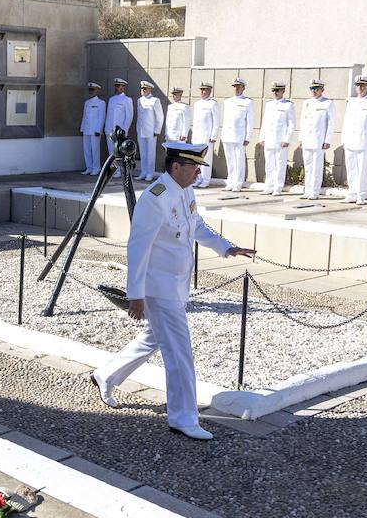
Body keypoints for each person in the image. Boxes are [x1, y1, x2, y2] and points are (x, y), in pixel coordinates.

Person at [91, 142, 256, 440]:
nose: (197, 173)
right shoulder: (155, 198)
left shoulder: (185, 190)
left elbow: (196, 225)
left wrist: (226, 247)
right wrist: (135, 294)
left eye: (198, 168)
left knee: (152, 340)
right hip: (158, 289)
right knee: (180, 354)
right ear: (175, 166)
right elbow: (137, 248)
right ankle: (183, 417)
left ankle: (106, 375)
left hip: (175, 286)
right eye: (193, 167)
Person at [340, 75, 367, 204]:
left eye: (363, 85)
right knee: (351, 169)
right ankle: (351, 193)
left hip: (364, 142)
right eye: (358, 85)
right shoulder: (352, 102)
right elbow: (346, 123)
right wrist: (344, 140)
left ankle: (361, 195)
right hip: (350, 141)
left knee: (362, 170)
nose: (360, 87)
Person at [298, 80, 335, 199]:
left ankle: (314, 191)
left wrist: (327, 140)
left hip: (319, 140)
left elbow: (330, 123)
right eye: (312, 89)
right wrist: (301, 138)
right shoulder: (307, 103)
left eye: (316, 89)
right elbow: (303, 122)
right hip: (307, 139)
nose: (314, 91)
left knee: (317, 167)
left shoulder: (327, 103)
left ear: (322, 90)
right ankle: (307, 190)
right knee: (307, 166)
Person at [260, 81, 295, 195]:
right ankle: (269, 186)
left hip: (280, 140)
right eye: (274, 90)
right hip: (269, 139)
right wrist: (262, 137)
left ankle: (278, 187)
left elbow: (291, 124)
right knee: (269, 164)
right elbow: (265, 122)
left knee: (280, 164)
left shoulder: (288, 105)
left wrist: (287, 139)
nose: (275, 92)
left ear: (283, 91)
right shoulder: (269, 104)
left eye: (278, 90)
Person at [220, 78, 254, 191]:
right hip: (227, 135)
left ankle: (238, 182)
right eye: (234, 86)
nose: (236, 88)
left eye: (239, 86)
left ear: (243, 88)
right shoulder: (228, 101)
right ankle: (230, 181)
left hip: (239, 136)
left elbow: (250, 121)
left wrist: (247, 137)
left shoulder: (247, 102)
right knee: (229, 160)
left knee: (239, 160)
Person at [189, 82, 220, 188]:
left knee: (206, 159)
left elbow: (216, 121)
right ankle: (198, 178)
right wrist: (193, 136)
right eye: (201, 89)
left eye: (205, 90)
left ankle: (206, 180)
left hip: (206, 136)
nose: (202, 92)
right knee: (197, 159)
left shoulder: (213, 104)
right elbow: (195, 121)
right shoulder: (197, 104)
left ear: (210, 91)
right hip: (197, 135)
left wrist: (214, 136)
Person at [135, 80, 163, 181]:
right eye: (142, 88)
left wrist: (157, 130)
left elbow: (160, 117)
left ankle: (150, 173)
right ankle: (143, 172)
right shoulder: (139, 100)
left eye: (145, 88)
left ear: (149, 89)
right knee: (143, 153)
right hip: (141, 130)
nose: (142, 90)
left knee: (150, 153)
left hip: (151, 131)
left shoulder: (155, 100)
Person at [105, 77, 134, 171]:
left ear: (123, 87)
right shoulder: (111, 99)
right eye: (115, 85)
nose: (116, 87)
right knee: (111, 152)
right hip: (110, 130)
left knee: (119, 152)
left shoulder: (127, 99)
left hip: (120, 131)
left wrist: (124, 130)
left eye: (118, 86)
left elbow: (129, 116)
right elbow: (108, 115)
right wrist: (106, 129)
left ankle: (120, 171)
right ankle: (113, 171)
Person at [79, 82, 106, 174]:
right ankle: (89, 167)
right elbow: (84, 116)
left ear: (97, 91)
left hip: (95, 130)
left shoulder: (101, 103)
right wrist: (82, 128)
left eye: (93, 90)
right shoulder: (86, 102)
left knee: (95, 150)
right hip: (86, 129)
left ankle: (96, 168)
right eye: (90, 90)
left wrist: (99, 129)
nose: (91, 91)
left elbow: (102, 117)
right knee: (86, 149)